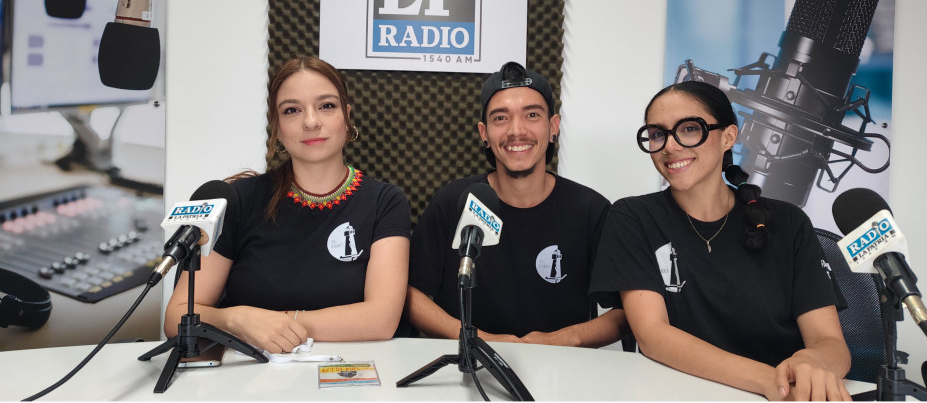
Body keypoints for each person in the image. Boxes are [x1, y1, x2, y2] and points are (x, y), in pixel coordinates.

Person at [589, 81, 851, 401]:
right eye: (657, 134)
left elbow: (832, 345)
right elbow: (653, 335)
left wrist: (812, 362)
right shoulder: (633, 217)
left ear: (728, 136)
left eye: (688, 129)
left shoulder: (789, 222)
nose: (669, 146)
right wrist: (771, 381)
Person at [163, 56, 411, 354]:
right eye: (292, 110)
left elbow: (381, 320)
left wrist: (281, 323)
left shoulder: (385, 201)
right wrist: (236, 319)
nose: (311, 121)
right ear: (277, 128)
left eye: (326, 106)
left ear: (347, 118)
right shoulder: (238, 200)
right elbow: (175, 316)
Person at [406, 61, 627, 347]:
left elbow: (625, 312)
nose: (516, 130)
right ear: (484, 133)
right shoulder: (453, 202)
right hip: (468, 367)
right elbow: (411, 295)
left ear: (553, 127)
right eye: (500, 118)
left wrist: (559, 341)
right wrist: (480, 340)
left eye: (532, 115)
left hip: (563, 374)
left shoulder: (591, 210)